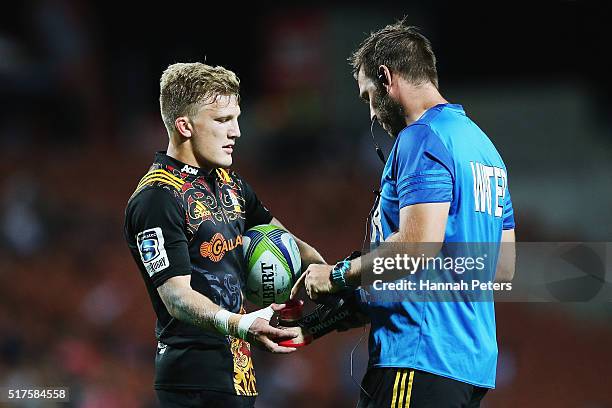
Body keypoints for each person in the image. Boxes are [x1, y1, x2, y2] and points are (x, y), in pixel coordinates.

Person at [290, 19, 516, 407]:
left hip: (415, 361)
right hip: (467, 371)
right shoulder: (485, 150)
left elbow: (416, 248)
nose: (373, 113)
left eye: (367, 97)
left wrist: (338, 276)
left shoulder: (421, 137)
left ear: (386, 77)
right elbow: (501, 267)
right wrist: (349, 308)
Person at [124, 62, 325, 408]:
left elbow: (287, 241)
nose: (237, 132)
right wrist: (240, 324)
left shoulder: (232, 186)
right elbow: (176, 297)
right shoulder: (157, 198)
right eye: (222, 121)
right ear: (184, 126)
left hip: (238, 373)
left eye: (236, 118)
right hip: (192, 379)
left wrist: (332, 276)